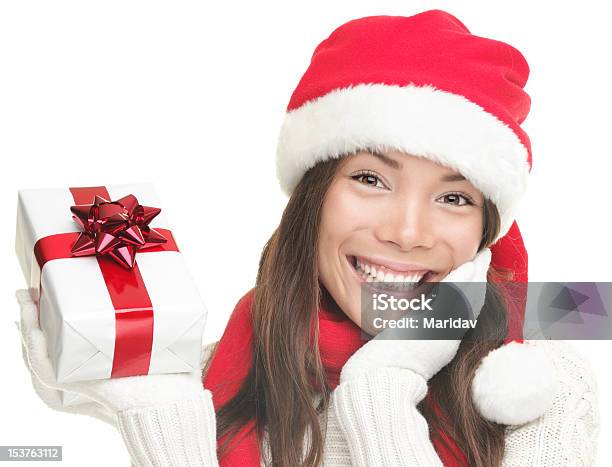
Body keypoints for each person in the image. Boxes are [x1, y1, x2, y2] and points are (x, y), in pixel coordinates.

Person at [16, 9, 599, 467]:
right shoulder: (218, 377)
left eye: (454, 197)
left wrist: (381, 390)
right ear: (312, 201)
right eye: (371, 179)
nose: (406, 232)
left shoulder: (539, 384)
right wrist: (158, 416)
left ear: (485, 231)